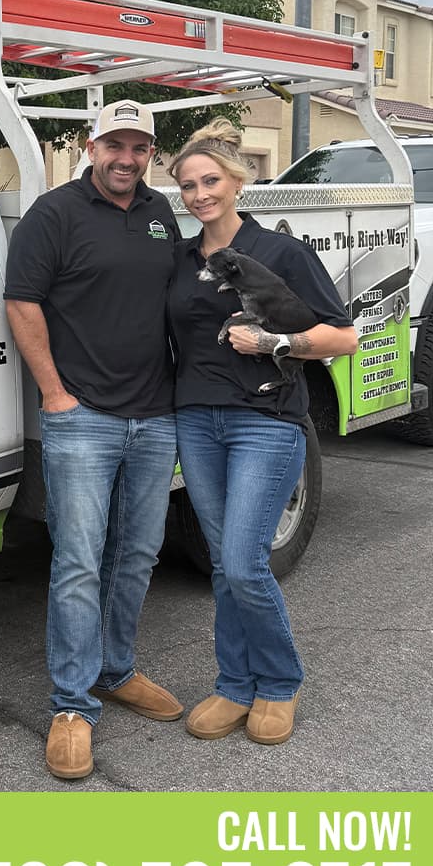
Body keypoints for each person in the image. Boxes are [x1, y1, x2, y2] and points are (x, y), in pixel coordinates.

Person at [4, 99, 183, 780]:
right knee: (79, 561)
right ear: (91, 145)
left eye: (139, 147)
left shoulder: (161, 213)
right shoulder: (54, 214)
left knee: (136, 554)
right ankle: (72, 706)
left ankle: (116, 670)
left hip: (155, 415)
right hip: (82, 417)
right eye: (115, 145)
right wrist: (55, 393)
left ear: (150, 154)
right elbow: (22, 300)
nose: (126, 159)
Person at [167, 119, 358, 746]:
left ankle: (278, 682)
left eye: (211, 181)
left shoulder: (279, 252)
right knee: (224, 564)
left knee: (246, 563)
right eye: (189, 186)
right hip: (196, 420)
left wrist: (275, 341)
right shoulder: (180, 260)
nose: (200, 195)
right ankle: (234, 683)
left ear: (237, 182)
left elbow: (343, 336)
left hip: (266, 421)